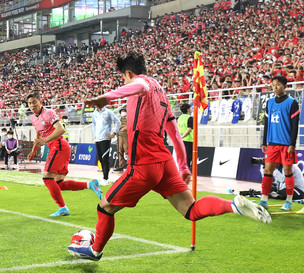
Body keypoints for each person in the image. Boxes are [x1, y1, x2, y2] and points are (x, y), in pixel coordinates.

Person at [70, 52, 270, 261]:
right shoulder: (161, 91)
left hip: (143, 165)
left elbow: (140, 86)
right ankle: (233, 205)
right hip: (165, 163)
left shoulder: (142, 83)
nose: (125, 82)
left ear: (128, 73)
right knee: (191, 209)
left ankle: (95, 250)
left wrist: (107, 97)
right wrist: (183, 166)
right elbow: (174, 133)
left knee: (105, 207)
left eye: (124, 77)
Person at [26, 93, 102, 217]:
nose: (32, 105)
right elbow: (39, 135)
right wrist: (34, 151)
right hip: (57, 147)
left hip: (59, 146)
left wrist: (45, 141)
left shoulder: (48, 113)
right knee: (58, 183)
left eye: (34, 102)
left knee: (47, 178)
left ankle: (63, 208)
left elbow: (61, 129)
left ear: (40, 102)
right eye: (29, 103)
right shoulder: (34, 118)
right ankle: (90, 184)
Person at [259, 75, 300, 212]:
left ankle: (288, 201)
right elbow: (266, 123)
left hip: (286, 144)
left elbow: (295, 125)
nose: (275, 88)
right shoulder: (269, 102)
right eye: (273, 85)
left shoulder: (292, 103)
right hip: (272, 143)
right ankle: (264, 199)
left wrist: (292, 144)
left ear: (285, 86)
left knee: (288, 171)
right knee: (267, 170)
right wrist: (264, 141)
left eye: (278, 85)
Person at [91, 104, 120, 185]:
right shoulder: (94, 113)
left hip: (105, 139)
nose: (96, 105)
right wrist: (95, 134)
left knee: (105, 159)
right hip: (97, 139)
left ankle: (105, 178)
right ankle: (104, 177)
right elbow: (93, 123)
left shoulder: (108, 112)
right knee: (100, 159)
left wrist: (114, 133)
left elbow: (118, 121)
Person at [177, 103, 194, 170]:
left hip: (181, 140)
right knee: (188, 157)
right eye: (190, 108)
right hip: (188, 140)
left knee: (182, 156)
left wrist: (180, 138)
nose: (192, 109)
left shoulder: (179, 118)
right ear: (187, 109)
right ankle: (187, 172)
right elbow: (189, 129)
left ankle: (182, 170)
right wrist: (182, 137)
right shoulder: (190, 118)